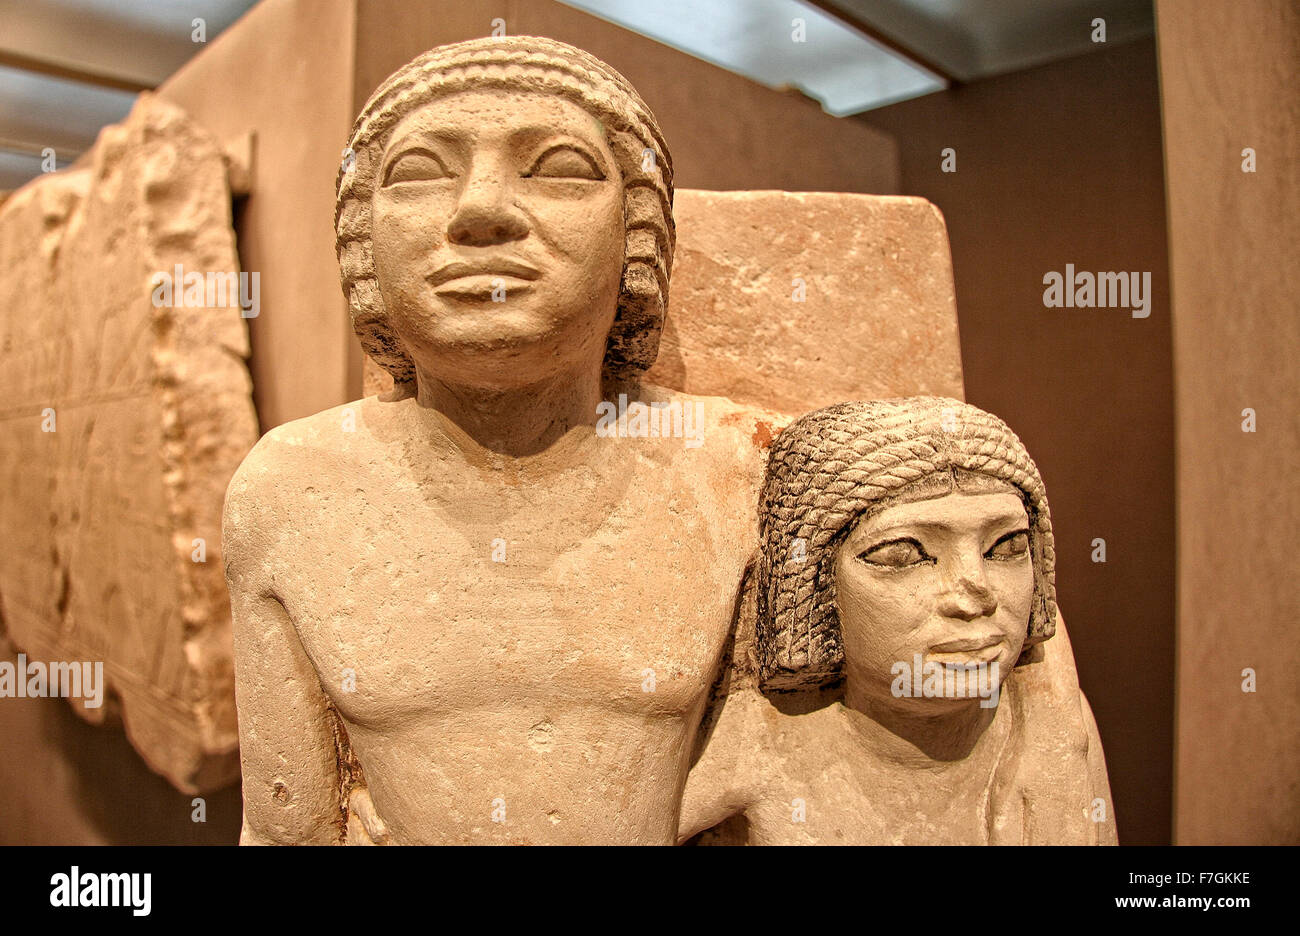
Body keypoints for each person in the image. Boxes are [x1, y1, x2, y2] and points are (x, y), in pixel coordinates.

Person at [224, 36, 775, 845]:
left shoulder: (739, 467)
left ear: (638, 238)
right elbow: (283, 830)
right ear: (363, 250)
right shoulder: (290, 488)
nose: (481, 211)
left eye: (557, 168)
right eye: (419, 173)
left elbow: (813, 783)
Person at [680, 397, 1117, 844]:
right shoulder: (752, 749)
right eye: (904, 555)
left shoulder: (1058, 736)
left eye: (1005, 548)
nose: (974, 596)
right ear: (812, 589)